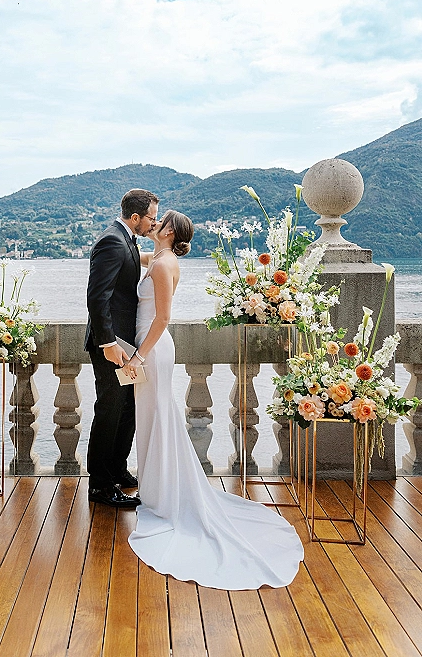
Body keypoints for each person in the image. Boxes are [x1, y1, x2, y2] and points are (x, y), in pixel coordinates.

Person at [122, 210, 304, 590]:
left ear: (169, 231)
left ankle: (164, 495)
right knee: (155, 419)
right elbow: (131, 253)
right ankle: (158, 489)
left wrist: (139, 355)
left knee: (157, 418)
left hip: (151, 348)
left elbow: (162, 318)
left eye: (159, 221)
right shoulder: (158, 258)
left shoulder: (162, 265)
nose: (152, 223)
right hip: (149, 347)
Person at [85, 188, 159, 508]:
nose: (153, 223)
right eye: (151, 218)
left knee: (126, 410)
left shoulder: (126, 239)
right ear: (135, 217)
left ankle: (116, 468)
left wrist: (165, 245)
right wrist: (108, 343)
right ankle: (100, 486)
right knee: (109, 411)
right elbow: (97, 297)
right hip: (112, 345)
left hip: (125, 344)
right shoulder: (111, 241)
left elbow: (134, 265)